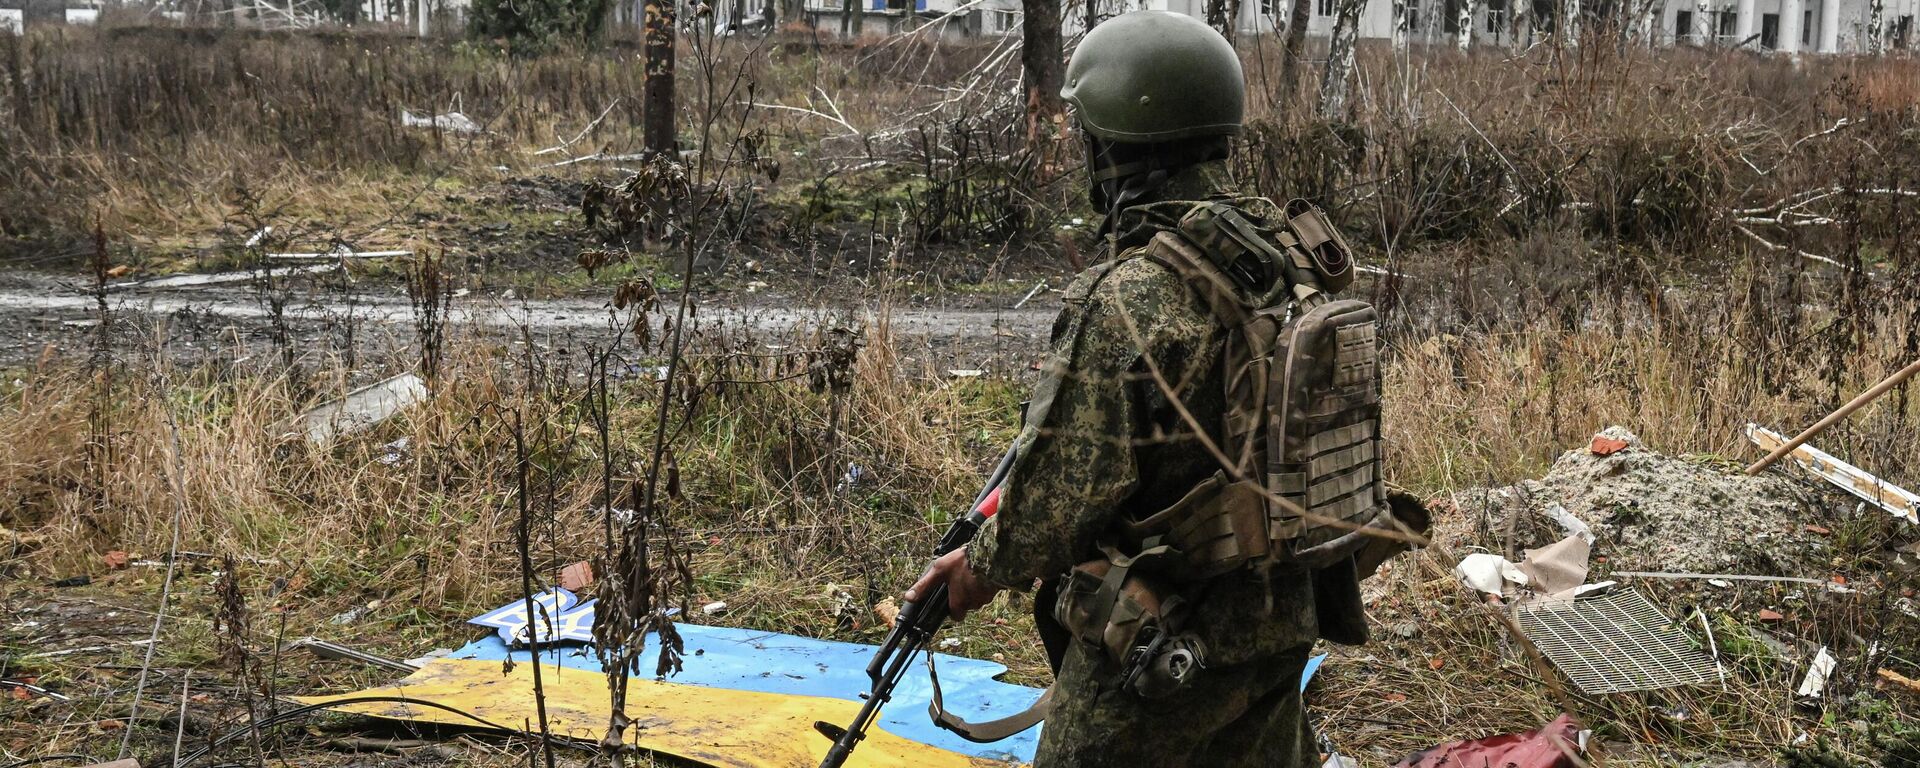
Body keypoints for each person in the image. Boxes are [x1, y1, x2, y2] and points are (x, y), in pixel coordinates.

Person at [904, 10, 1422, 767]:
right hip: (1289, 616)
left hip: (1163, 644)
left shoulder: (1126, 300)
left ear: (1113, 149)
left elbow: (1054, 504)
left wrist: (976, 570)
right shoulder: (1294, 253)